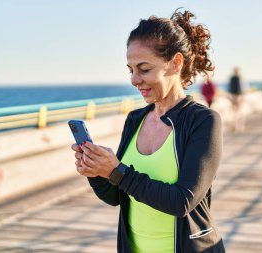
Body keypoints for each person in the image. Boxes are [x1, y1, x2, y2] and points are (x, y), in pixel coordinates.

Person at [71, 9, 225, 253]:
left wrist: (117, 171)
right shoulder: (135, 119)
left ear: (175, 63)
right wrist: (96, 170)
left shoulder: (203, 121)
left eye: (144, 69)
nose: (134, 79)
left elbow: (182, 201)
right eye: (130, 69)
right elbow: (116, 196)